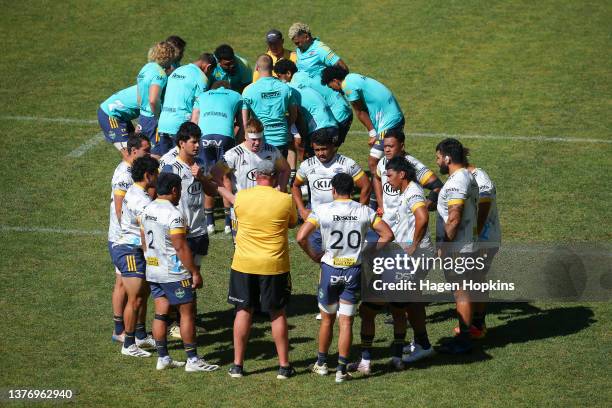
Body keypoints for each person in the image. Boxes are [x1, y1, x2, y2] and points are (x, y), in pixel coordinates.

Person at [296, 173, 393, 383]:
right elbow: (387, 235)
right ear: (353, 190)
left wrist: (314, 255)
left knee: (327, 320)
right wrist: (369, 253)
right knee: (346, 322)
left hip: (330, 269)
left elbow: (301, 237)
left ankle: (321, 364)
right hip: (354, 271)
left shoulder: (321, 210)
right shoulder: (365, 211)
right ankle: (341, 370)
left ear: (332, 190)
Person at [350, 157, 435, 375]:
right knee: (402, 306)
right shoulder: (406, 191)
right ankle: (401, 355)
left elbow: (423, 217)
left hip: (405, 260)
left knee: (368, 310)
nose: (387, 179)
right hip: (403, 258)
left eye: (389, 175)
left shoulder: (413, 192)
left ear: (402, 175)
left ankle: (366, 361)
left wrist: (413, 245)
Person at [218, 161, 298, 379]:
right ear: (273, 177)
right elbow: (292, 223)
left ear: (255, 176)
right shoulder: (285, 200)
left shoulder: (242, 197)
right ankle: (283, 366)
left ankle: (237, 365)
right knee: (277, 312)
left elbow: (226, 193)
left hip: (244, 263)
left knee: (243, 311)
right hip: (274, 265)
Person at [140, 172, 219, 372]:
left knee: (160, 314)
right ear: (174, 190)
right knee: (187, 314)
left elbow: (143, 239)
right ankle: (192, 360)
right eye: (180, 190)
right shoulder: (173, 214)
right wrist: (194, 272)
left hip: (153, 269)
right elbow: (180, 247)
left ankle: (163, 357)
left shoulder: (147, 208)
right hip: (174, 273)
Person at [321, 67, 405, 188]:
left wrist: (372, 134)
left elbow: (360, 111)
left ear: (335, 80)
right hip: (394, 118)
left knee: (373, 162)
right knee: (396, 158)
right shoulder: (353, 77)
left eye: (331, 87)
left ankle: (378, 197)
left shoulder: (347, 85)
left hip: (389, 123)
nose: (334, 90)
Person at [434, 138, 479, 354]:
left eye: (439, 157)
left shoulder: (455, 183)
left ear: (448, 158)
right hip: (467, 244)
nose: (438, 162)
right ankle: (465, 336)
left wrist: (445, 246)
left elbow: (454, 218)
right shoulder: (467, 176)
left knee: (461, 293)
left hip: (458, 248)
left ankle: (464, 340)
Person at [112, 155, 159, 357]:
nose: (158, 177)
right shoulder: (140, 199)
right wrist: (152, 254)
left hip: (133, 249)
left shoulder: (138, 192)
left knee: (143, 294)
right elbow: (144, 229)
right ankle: (128, 344)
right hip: (130, 251)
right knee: (135, 299)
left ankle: (139, 336)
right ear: (148, 176)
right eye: (156, 173)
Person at [451, 160, 501, 339]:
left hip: (484, 240)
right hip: (479, 240)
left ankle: (477, 326)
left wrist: (476, 237)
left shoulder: (479, 178)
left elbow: (485, 207)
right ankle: (476, 324)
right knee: (473, 279)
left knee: (475, 280)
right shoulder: (467, 177)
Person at [108, 135, 151, 343]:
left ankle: (139, 332)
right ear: (134, 151)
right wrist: (129, 235)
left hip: (129, 238)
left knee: (140, 287)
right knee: (123, 285)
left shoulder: (135, 171)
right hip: (123, 238)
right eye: (146, 151)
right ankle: (119, 330)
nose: (149, 154)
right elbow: (119, 208)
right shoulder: (124, 174)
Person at [191, 80, 244, 234]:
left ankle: (210, 223)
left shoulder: (202, 96)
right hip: (225, 137)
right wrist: (238, 145)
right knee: (226, 177)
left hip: (204, 136)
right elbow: (243, 123)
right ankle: (228, 223)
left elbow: (194, 121)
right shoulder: (236, 96)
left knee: (208, 177)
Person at [274, 60, 338, 160]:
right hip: (333, 126)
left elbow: (297, 116)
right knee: (328, 162)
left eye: (279, 76)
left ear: (288, 73)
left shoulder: (288, 89)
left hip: (320, 129)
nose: (278, 80)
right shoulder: (300, 85)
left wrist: (301, 138)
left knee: (309, 162)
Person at [157, 53, 217, 156]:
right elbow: (199, 106)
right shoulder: (201, 78)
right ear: (208, 67)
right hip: (180, 126)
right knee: (182, 164)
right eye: (210, 72)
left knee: (164, 163)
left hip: (163, 123)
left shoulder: (177, 71)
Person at [374, 129, 443, 216]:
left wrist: (425, 208)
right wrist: (381, 204)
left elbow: (438, 186)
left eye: (391, 146)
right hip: (388, 222)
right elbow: (376, 178)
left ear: (402, 146)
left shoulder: (411, 165)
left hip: (407, 224)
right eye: (385, 146)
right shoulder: (382, 162)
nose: (387, 150)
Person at [242, 54, 297, 158]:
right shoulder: (286, 88)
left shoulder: (248, 91)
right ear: (272, 68)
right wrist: (285, 125)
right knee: (280, 172)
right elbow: (294, 114)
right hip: (281, 138)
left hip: (260, 140)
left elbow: (245, 122)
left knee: (263, 173)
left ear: (257, 68)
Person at [136, 41, 176, 156]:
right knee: (157, 157)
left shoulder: (145, 68)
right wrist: (159, 117)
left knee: (143, 155)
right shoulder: (160, 74)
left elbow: (139, 98)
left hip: (143, 117)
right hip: (153, 120)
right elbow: (153, 100)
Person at [98, 85, 139, 159]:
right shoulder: (152, 92)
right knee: (129, 154)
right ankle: (124, 170)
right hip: (110, 115)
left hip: (122, 115)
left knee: (137, 148)